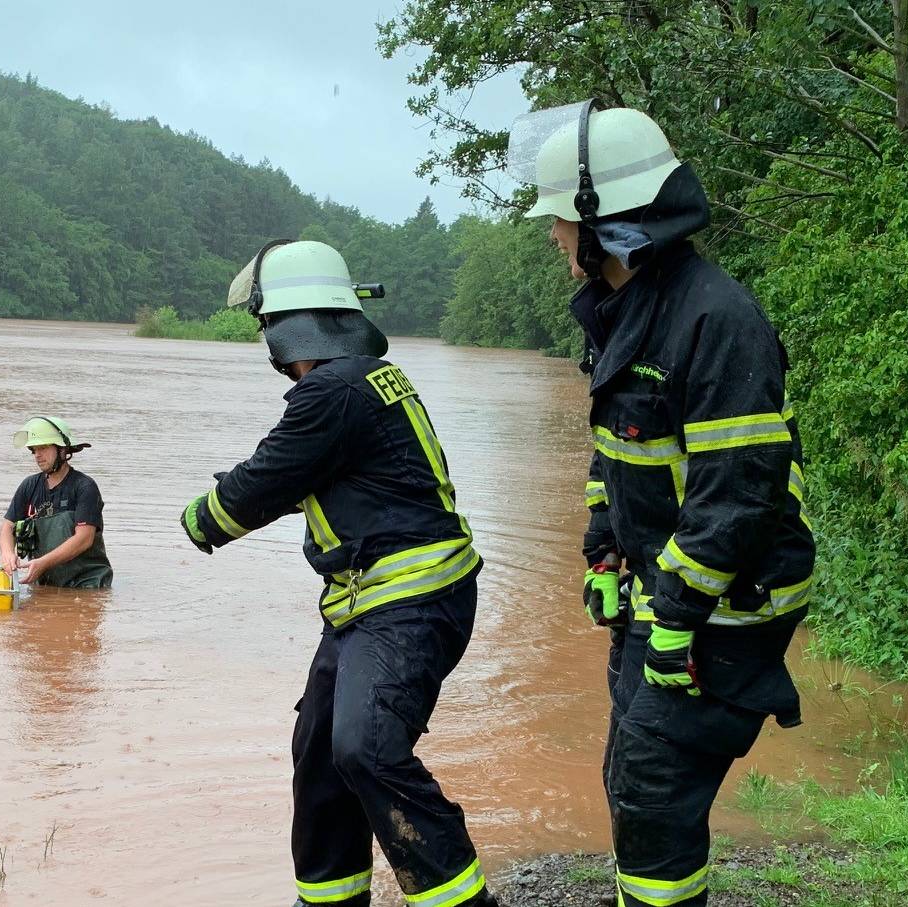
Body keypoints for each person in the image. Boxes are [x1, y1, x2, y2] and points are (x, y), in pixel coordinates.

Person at [508, 102, 816, 907]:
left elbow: (737, 494)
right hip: (665, 595)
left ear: (598, 217)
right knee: (629, 779)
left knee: (651, 787)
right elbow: (619, 457)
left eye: (557, 222)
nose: (551, 238)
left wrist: (674, 611)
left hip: (727, 604)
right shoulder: (623, 311)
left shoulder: (717, 319)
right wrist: (603, 547)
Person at [178, 239, 494, 907]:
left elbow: (248, 493)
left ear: (284, 325)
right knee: (320, 749)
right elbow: (316, 473)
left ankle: (460, 899)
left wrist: (200, 516)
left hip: (409, 599)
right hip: (370, 601)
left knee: (365, 747)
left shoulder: (329, 391)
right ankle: (330, 898)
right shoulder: (366, 380)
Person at [0, 416, 113, 589]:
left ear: (62, 450)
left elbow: (84, 538)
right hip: (45, 583)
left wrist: (43, 563)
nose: (37, 455)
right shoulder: (29, 485)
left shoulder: (85, 486)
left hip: (87, 584)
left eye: (43, 448)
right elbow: (7, 527)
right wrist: (7, 554)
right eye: (34, 449)